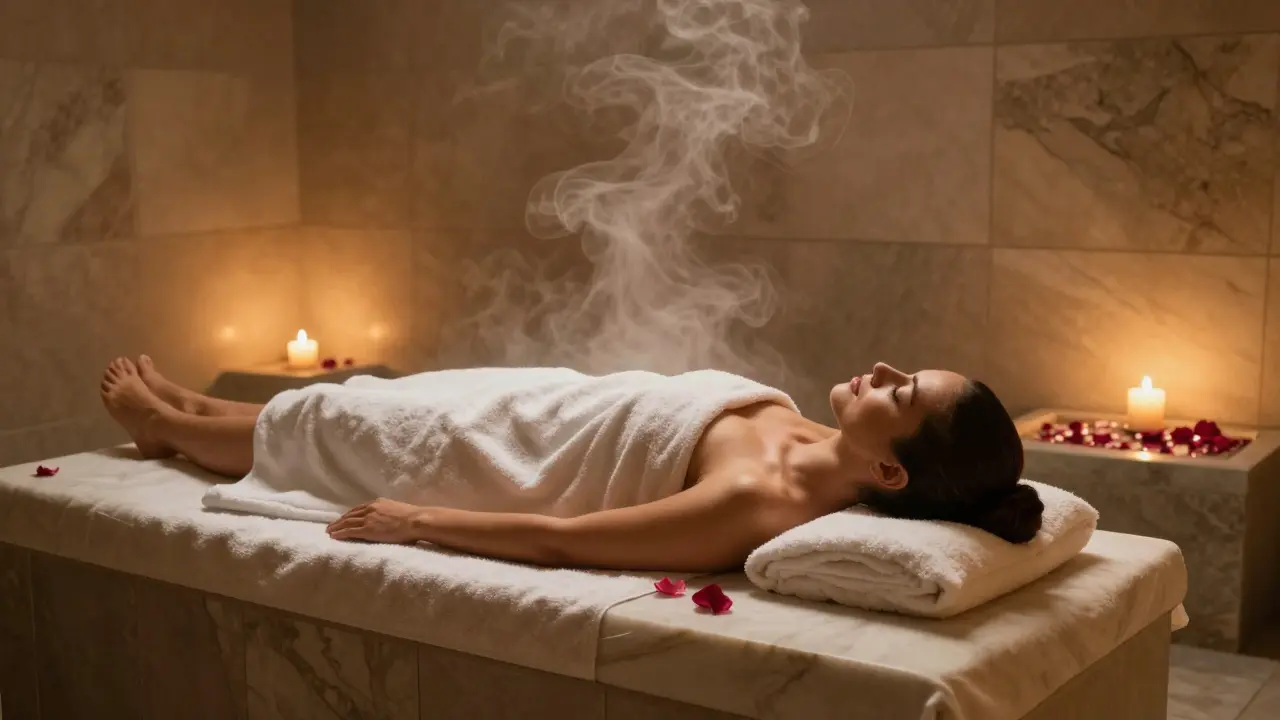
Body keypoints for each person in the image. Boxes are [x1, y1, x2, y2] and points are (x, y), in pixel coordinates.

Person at [100, 355, 1041, 573]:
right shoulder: (815, 435)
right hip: (552, 400)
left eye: (901, 394)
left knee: (339, 434)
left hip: (515, 454)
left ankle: (170, 429)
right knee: (365, 398)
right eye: (905, 370)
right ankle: (194, 412)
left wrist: (418, 520)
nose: (881, 372)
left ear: (891, 477)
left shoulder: (758, 505)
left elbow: (567, 539)